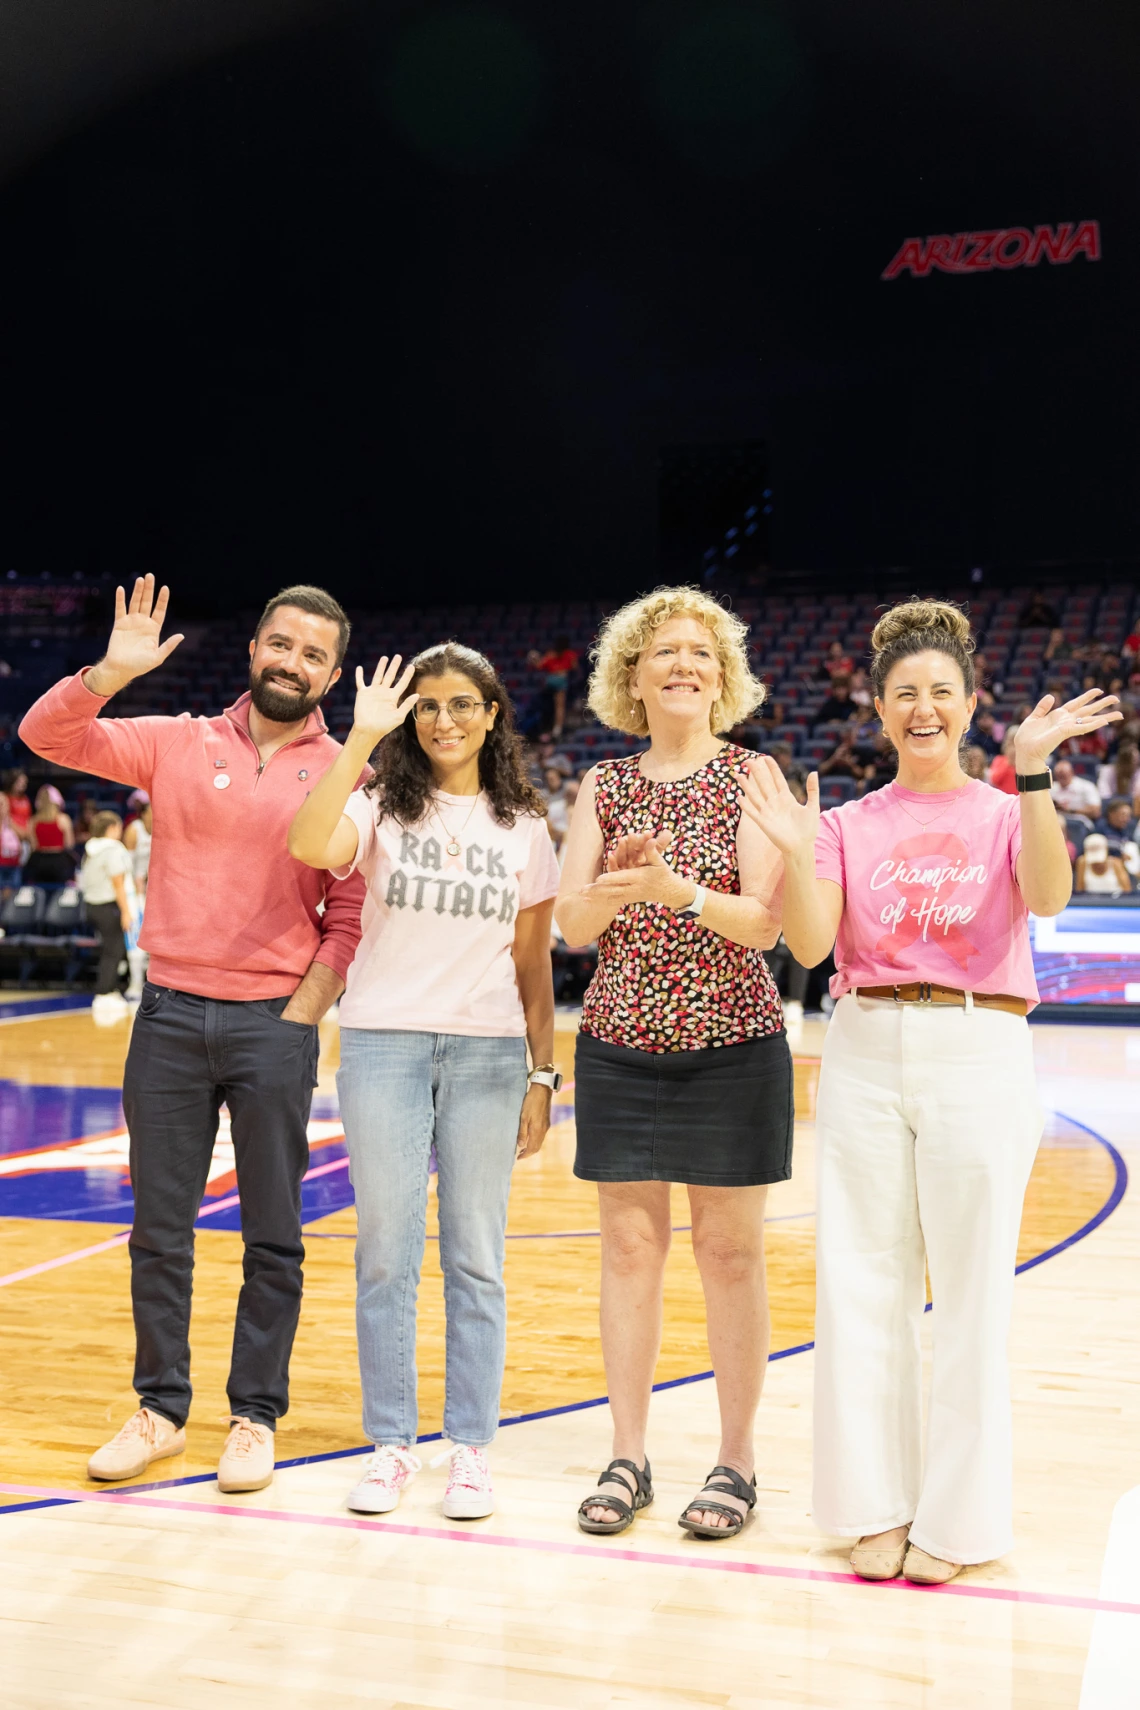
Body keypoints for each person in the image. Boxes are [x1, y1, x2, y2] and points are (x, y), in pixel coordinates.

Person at [739, 598, 1120, 1586]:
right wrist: (789, 849)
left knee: (971, 1293)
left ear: (970, 703)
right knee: (862, 1285)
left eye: (941, 693)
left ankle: (956, 1522)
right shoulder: (841, 822)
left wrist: (1032, 770)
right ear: (878, 706)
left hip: (977, 1045)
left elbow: (1046, 896)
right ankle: (873, 1511)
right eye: (904, 693)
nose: (923, 708)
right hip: (864, 1046)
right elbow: (814, 948)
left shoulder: (1004, 808)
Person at [19, 576, 366, 1493]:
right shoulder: (175, 741)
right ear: (255, 649)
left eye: (313, 654)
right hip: (168, 1017)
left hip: (272, 1028)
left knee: (274, 1236)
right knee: (159, 1231)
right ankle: (161, 1410)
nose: (293, 662)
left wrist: (304, 1011)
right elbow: (43, 737)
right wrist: (105, 673)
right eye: (281, 644)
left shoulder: (349, 770)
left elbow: (351, 911)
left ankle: (254, 1417)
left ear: (330, 676)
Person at [288, 644, 559, 1519]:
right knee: (385, 1255)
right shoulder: (375, 805)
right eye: (428, 706)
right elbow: (306, 840)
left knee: (476, 1258)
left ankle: (470, 1448)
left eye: (461, 704)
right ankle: (392, 1446)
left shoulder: (525, 826)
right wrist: (359, 739)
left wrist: (543, 1074)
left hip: (487, 1053)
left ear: (491, 714)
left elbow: (533, 964)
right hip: (383, 1046)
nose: (444, 720)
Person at [555, 587, 792, 1542]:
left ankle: (736, 1460)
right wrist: (621, 883)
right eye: (665, 653)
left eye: (701, 651)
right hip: (620, 1042)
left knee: (729, 1253)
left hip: (734, 1041)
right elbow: (573, 925)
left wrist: (677, 889)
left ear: (721, 674)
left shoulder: (753, 775)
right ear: (633, 676)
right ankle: (629, 1452)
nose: (684, 664)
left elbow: (766, 925)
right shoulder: (603, 786)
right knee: (628, 1249)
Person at [79, 811, 135, 1023]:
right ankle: (104, 993)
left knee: (109, 949)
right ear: (111, 828)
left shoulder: (90, 849)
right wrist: (127, 911)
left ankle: (107, 990)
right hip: (108, 905)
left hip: (91, 905)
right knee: (115, 949)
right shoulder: (111, 849)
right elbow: (117, 883)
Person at [528, 635, 579, 738]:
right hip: (557, 681)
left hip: (553, 681)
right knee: (559, 707)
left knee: (555, 707)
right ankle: (556, 728)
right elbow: (575, 668)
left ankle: (555, 728)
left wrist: (534, 658)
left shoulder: (554, 654)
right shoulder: (565, 655)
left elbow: (539, 665)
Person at [24, 784, 75, 882]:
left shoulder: (33, 821)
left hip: (39, 861)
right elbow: (69, 844)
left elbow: (33, 846)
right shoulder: (63, 819)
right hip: (59, 861)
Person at [1051, 758, 1102, 823]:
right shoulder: (1051, 788)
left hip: (1078, 821)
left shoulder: (1086, 786)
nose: (1061, 778)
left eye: (1064, 775)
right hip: (1056, 820)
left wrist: (1070, 810)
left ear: (1071, 772)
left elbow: (1096, 811)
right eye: (1059, 775)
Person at [123, 791, 154, 894]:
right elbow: (128, 859)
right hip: (136, 879)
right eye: (151, 812)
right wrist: (132, 883)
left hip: (153, 880)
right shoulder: (134, 829)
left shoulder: (160, 829)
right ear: (144, 814)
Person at [1101, 798, 1140, 876]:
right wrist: (1119, 856)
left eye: (1129, 816)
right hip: (1107, 872)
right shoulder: (1100, 829)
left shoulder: (1126, 831)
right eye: (1123, 815)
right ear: (1111, 814)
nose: (1127, 819)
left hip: (1126, 872)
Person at [1096, 741, 1139, 805]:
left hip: (1131, 807)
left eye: (1136, 760)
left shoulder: (1138, 773)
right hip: (1110, 806)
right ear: (1121, 761)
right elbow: (1103, 795)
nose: (1136, 763)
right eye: (1132, 761)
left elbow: (1137, 796)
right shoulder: (1106, 770)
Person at [987, 726, 1020, 795]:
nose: (1014, 749)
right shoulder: (999, 760)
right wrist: (1008, 762)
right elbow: (994, 780)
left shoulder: (1026, 763)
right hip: (1003, 800)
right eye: (1011, 744)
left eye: (1016, 745)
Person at [1, 768, 32, 839]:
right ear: (13, 781)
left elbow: (29, 818)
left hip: (26, 833)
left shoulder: (25, 798)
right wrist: (19, 832)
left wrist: (27, 833)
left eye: (25, 782)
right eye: (20, 782)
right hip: (11, 833)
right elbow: (5, 818)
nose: (23, 785)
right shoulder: (5, 797)